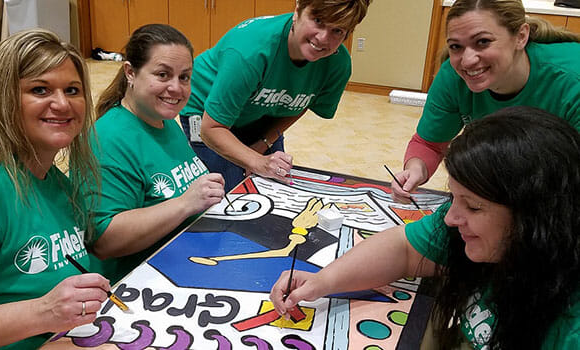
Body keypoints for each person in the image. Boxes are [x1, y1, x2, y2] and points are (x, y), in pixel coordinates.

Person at [271, 106, 580, 349]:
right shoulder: (487, 233)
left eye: (472, 206)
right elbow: (404, 248)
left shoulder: (569, 326)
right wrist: (323, 280)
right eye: (453, 199)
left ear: (538, 215)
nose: (449, 218)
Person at [0, 29, 111, 349]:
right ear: (4, 98)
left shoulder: (54, 179)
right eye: (40, 89)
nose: (62, 104)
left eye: (72, 90)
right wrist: (44, 312)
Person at [392, 0, 580, 203]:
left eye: (483, 42)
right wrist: (416, 169)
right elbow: (430, 143)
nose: (467, 60)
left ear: (521, 37)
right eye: (456, 46)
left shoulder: (571, 82)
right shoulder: (453, 77)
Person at [179, 0, 372, 190]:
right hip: (208, 111)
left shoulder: (337, 65)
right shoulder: (250, 50)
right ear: (297, 10)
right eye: (318, 20)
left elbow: (303, 101)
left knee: (273, 186)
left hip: (260, 110)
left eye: (337, 31)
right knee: (230, 191)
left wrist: (264, 143)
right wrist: (256, 161)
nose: (323, 38)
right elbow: (211, 128)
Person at [89, 24, 225, 284]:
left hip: (184, 261)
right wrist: (186, 203)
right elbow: (104, 241)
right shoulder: (108, 139)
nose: (176, 88)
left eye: (184, 77)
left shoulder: (163, 119)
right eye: (163, 75)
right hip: (137, 283)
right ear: (130, 72)